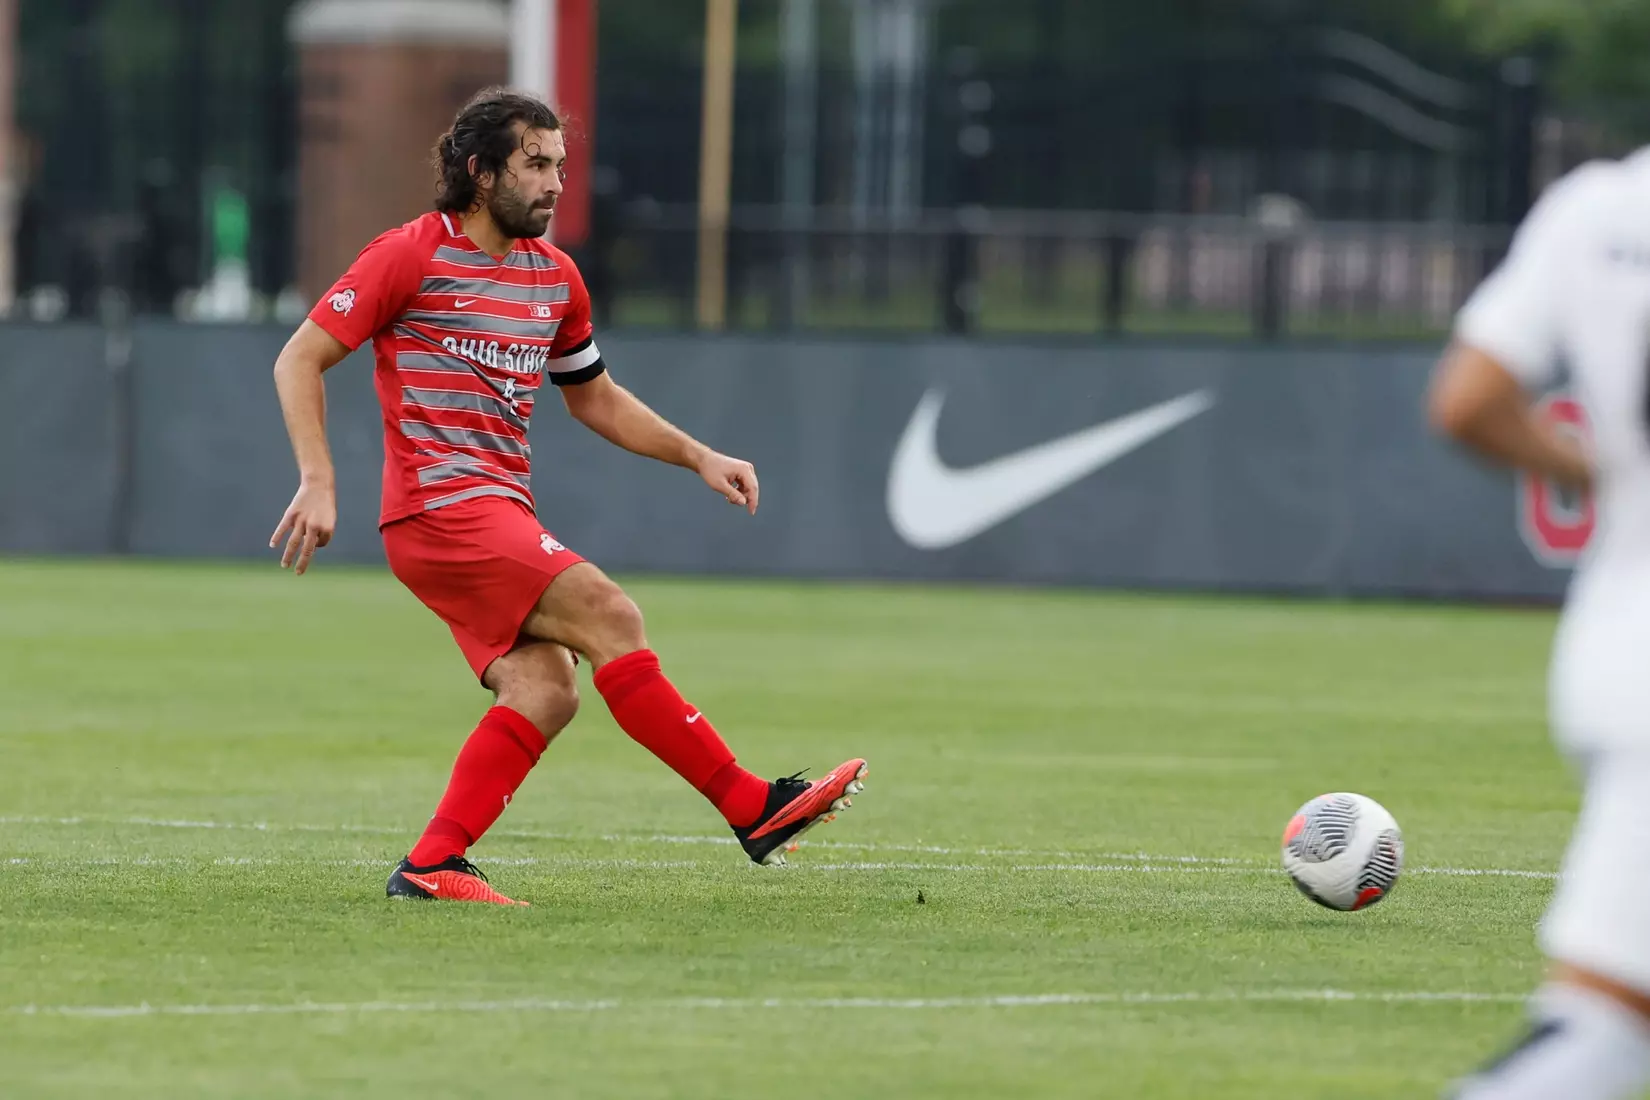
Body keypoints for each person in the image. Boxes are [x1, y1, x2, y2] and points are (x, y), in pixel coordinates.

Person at [268, 87, 866, 907]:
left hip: (497, 511)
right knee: (611, 614)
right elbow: (299, 359)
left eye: (560, 165)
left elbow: (594, 397)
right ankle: (750, 807)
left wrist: (698, 455)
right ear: (479, 173)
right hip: (440, 511)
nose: (555, 183)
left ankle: (433, 864)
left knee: (546, 689)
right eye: (535, 165)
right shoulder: (408, 255)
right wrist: (318, 479)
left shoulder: (555, 278)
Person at [1429, 152, 1650, 1098]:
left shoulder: (1604, 208)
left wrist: (1597, 467)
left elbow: (1469, 401)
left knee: (1605, 1028)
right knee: (1600, 1040)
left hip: (1624, 652)